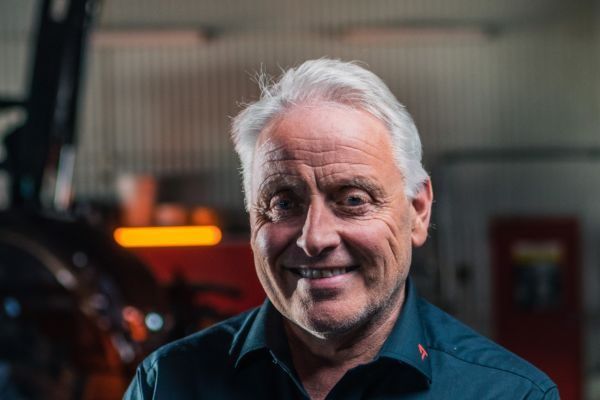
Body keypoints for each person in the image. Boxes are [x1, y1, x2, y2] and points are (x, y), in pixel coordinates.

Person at [124, 59, 558, 399]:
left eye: (353, 200)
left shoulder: (509, 394)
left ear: (418, 211)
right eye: (283, 203)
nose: (315, 238)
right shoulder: (168, 384)